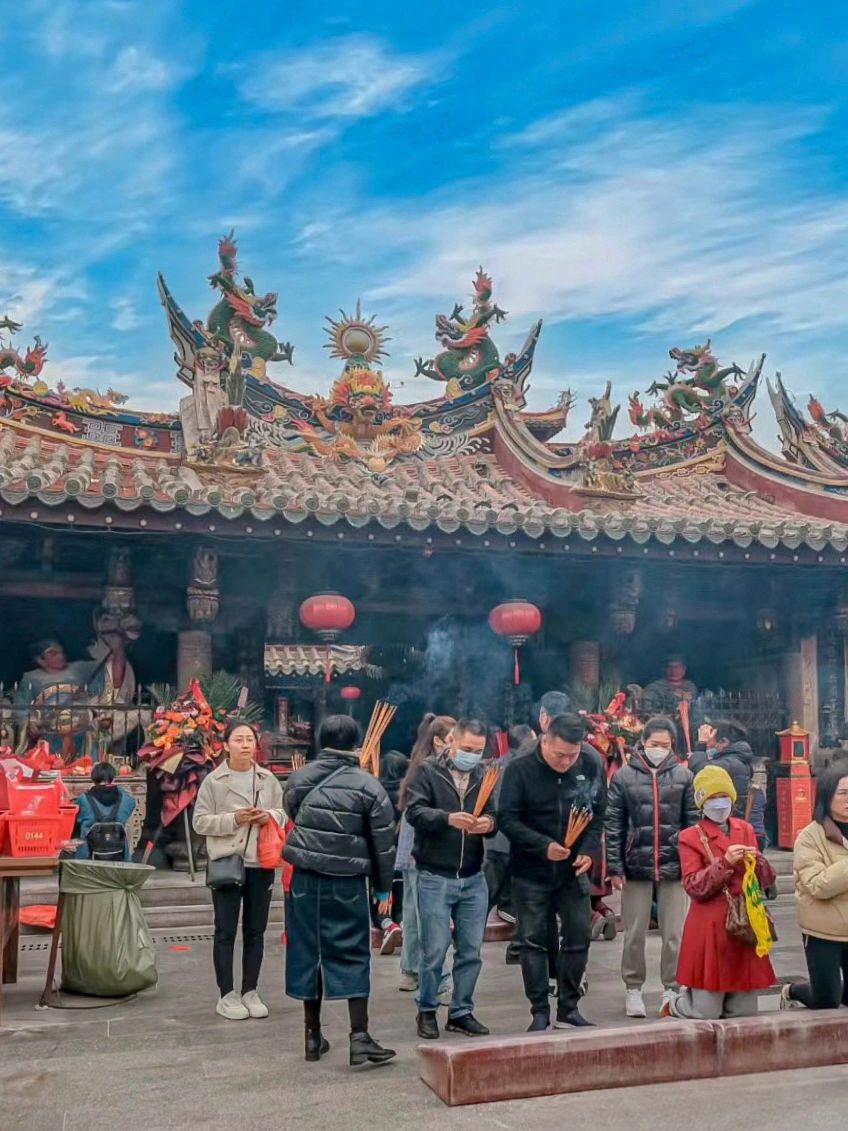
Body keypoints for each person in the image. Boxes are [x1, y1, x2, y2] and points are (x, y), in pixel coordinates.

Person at [283, 714, 397, 1066]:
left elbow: (296, 815)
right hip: (346, 881)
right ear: (356, 744)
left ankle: (312, 1036)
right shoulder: (369, 786)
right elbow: (383, 844)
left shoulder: (298, 778)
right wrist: (382, 890)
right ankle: (359, 1037)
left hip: (304, 878)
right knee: (352, 952)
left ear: (321, 740)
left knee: (308, 952)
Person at [499, 713, 607, 1031]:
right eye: (560, 755)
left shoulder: (589, 764)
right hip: (530, 869)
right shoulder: (520, 769)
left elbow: (598, 813)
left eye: (572, 755)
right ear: (544, 740)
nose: (566, 762)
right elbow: (507, 819)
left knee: (578, 934)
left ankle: (568, 1008)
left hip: (572, 870)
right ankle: (539, 1010)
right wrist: (542, 845)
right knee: (532, 940)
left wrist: (588, 851)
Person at [405, 718, 497, 1040]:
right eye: (468, 748)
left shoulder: (484, 775)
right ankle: (427, 1008)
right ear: (451, 742)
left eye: (479, 750)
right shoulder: (427, 771)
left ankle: (461, 1011)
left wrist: (488, 823)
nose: (473, 755)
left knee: (471, 950)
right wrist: (447, 819)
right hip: (435, 874)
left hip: (473, 875)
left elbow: (496, 814)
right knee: (434, 949)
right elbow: (414, 812)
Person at [666, 765, 777, 1019]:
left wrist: (758, 860)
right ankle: (676, 1004)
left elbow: (765, 880)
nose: (719, 803)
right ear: (702, 803)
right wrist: (725, 863)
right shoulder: (690, 837)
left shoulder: (745, 829)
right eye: (712, 798)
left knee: (743, 1012)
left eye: (723, 796)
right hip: (710, 926)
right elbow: (693, 885)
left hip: (744, 923)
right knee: (706, 1011)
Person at [605, 716, 698, 1018]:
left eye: (665, 744)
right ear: (643, 743)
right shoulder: (624, 777)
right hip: (635, 864)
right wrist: (615, 866)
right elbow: (614, 824)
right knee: (634, 932)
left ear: (673, 746)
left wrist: (693, 864)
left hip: (674, 864)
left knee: (674, 933)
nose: (659, 749)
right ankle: (633, 987)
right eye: (654, 743)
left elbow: (692, 824)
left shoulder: (684, 776)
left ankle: (672, 987)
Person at [193, 721, 285, 1021]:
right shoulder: (214, 781)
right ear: (225, 745)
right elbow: (200, 821)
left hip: (261, 861)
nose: (245, 745)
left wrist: (267, 816)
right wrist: (234, 819)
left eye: (250, 740)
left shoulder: (267, 779)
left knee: (256, 930)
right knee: (225, 931)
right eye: (239, 739)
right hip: (227, 862)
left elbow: (283, 813)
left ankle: (250, 990)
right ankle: (226, 994)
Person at [396, 714, 455, 998]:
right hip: (423, 847)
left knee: (413, 910)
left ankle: (410, 969)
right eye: (454, 739)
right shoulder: (432, 769)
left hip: (412, 846)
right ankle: (439, 977)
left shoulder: (419, 763)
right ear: (439, 742)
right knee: (429, 914)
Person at [781, 766, 848, 1010]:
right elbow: (817, 885)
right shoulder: (809, 837)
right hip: (823, 930)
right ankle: (791, 991)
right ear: (826, 796)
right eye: (843, 793)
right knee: (827, 999)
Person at [485, 724, 536, 925]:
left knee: (491, 888)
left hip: (495, 839)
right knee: (498, 888)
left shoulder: (495, 765)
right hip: (515, 838)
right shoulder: (527, 767)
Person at [370, 748, 408, 955]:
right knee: (401, 902)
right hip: (405, 859)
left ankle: (388, 926)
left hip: (381, 860)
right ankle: (402, 924)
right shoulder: (411, 796)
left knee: (380, 903)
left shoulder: (376, 795)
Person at [689, 721, 754, 818]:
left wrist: (701, 745)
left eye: (708, 742)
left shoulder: (730, 763)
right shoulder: (735, 759)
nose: (707, 747)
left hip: (725, 819)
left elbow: (697, 768)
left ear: (723, 742)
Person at [74, 762, 136, 860]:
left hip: (87, 858)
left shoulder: (83, 799)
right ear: (113, 778)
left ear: (93, 779)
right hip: (119, 856)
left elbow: (77, 819)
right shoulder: (125, 799)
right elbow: (132, 803)